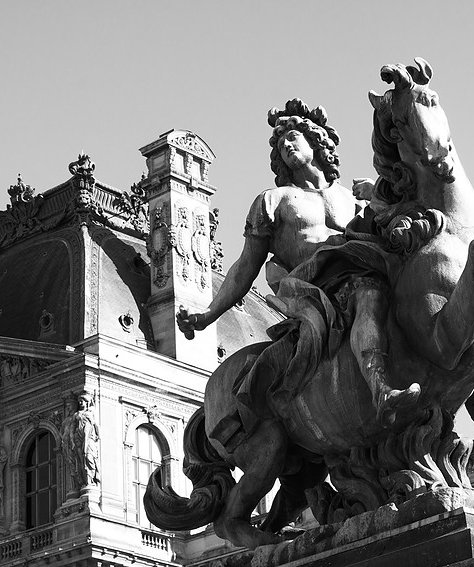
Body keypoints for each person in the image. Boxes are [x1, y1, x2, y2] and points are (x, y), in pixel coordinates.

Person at [178, 99, 419, 427]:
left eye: (292, 136)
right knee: (369, 292)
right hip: (314, 286)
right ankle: (380, 390)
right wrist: (208, 315)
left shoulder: (355, 198)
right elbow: (246, 266)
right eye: (280, 144)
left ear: (317, 141)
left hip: (366, 266)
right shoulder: (273, 200)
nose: (286, 145)